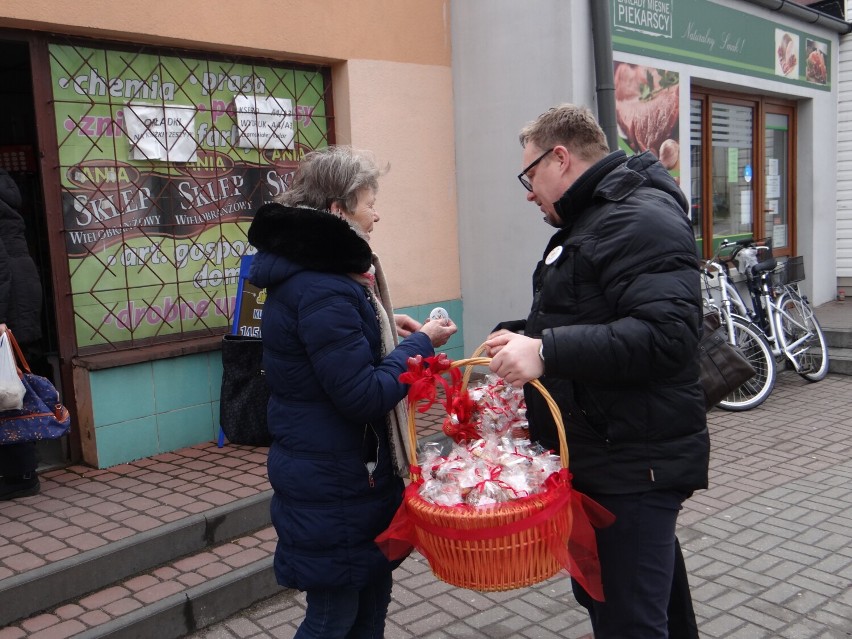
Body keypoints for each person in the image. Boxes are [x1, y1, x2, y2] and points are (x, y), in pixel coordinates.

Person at [485, 104, 709, 639]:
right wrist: (521, 333)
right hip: (607, 454)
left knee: (628, 619)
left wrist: (547, 351)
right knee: (637, 607)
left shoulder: (638, 217)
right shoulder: (597, 218)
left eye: (530, 173)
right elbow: (591, 312)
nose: (527, 190)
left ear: (560, 158)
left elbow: (667, 335)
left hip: (631, 464)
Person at [246, 145, 456, 639]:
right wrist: (422, 344)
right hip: (335, 483)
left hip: (343, 475)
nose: (376, 214)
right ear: (339, 211)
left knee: (369, 606)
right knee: (333, 618)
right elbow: (362, 394)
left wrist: (385, 330)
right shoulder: (324, 288)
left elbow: (341, 358)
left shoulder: (323, 278)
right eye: (369, 202)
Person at [0, 168, 44, 501]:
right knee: (12, 391)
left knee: (9, 394)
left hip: (8, 304)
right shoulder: (8, 202)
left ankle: (21, 476)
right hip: (19, 296)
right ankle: (22, 471)